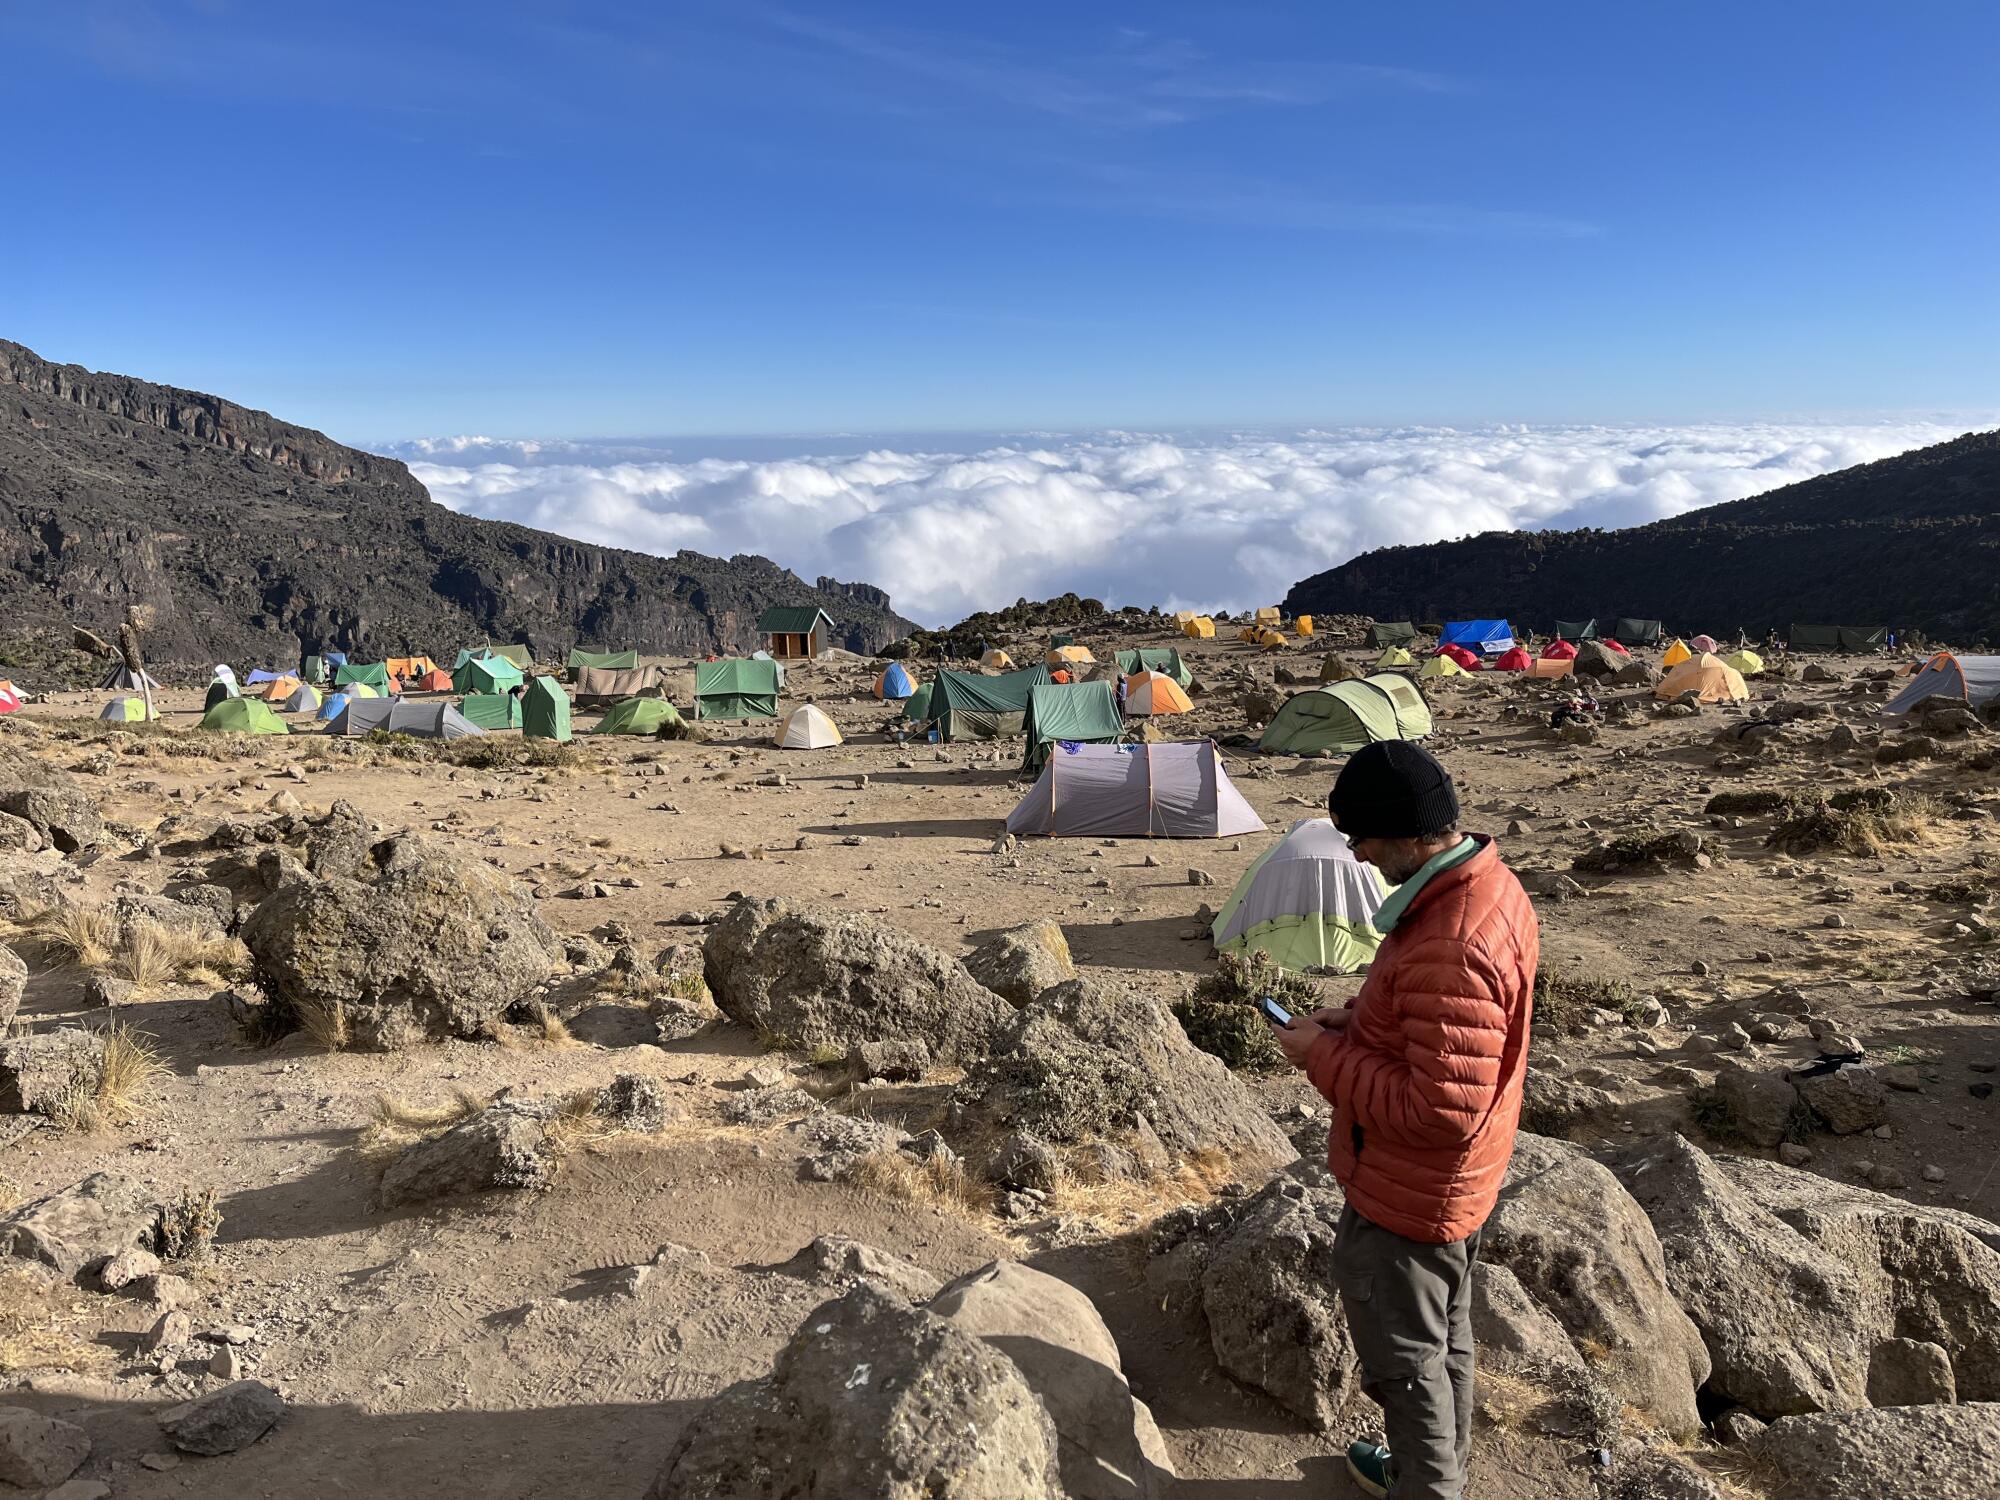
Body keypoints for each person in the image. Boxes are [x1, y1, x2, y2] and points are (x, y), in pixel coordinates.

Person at [1270, 741, 1538, 1499]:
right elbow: (1445, 1032)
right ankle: (1434, 1472)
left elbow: (1438, 1110)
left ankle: (1428, 1487)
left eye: (1362, 836)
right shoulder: (1481, 889)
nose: (1354, 851)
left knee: (1406, 1364)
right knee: (1444, 1341)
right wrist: (1355, 1022)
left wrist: (1321, 1057)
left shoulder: (1452, 939)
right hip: (1449, 1189)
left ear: (1405, 833)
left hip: (1411, 1197)